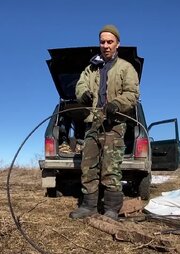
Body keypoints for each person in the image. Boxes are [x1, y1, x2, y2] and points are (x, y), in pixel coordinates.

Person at [69, 24, 140, 220]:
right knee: (88, 166)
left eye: (110, 41)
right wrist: (82, 94)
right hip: (93, 122)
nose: (106, 45)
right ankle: (89, 206)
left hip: (114, 124)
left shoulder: (126, 68)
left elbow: (132, 94)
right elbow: (80, 84)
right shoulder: (91, 69)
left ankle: (111, 209)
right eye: (103, 42)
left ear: (118, 44)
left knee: (110, 168)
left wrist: (117, 103)